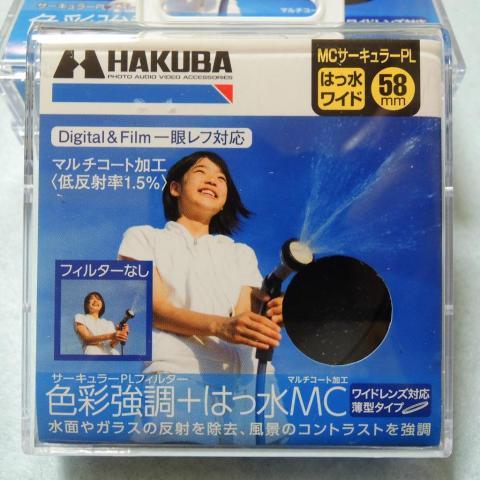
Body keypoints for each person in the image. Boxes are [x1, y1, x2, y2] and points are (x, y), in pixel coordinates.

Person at [118, 151, 283, 374]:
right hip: (177, 374)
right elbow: (153, 310)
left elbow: (244, 315)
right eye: (200, 171)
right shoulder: (143, 238)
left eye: (221, 178)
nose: (212, 180)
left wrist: (275, 312)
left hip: (251, 379)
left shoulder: (241, 253)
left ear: (224, 202)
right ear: (175, 188)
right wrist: (220, 326)